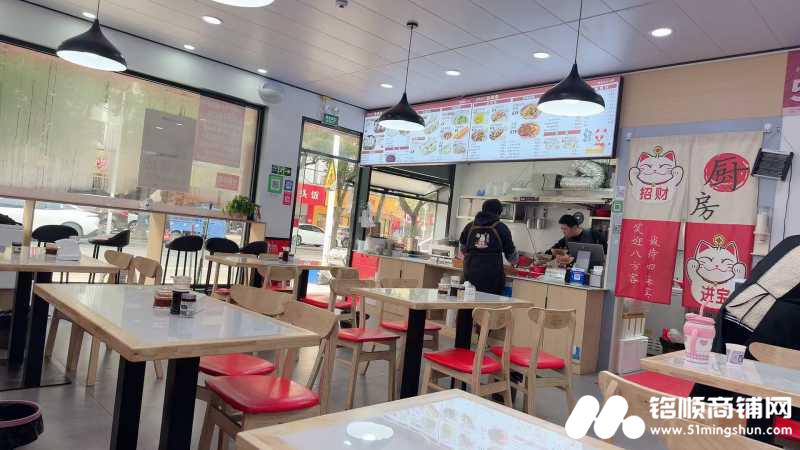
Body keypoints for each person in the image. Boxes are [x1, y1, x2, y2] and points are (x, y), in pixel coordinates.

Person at [690, 235, 800, 444]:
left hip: (736, 310)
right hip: (769, 325)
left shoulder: (792, 241)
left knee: (723, 381)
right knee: (762, 392)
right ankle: (749, 442)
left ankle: (697, 436)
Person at [459, 199, 518, 295]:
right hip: (492, 278)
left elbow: (462, 248)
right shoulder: (501, 228)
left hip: (470, 275)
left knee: (467, 301)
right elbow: (512, 256)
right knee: (488, 303)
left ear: (483, 210)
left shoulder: (469, 226)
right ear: (498, 212)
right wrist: (515, 261)